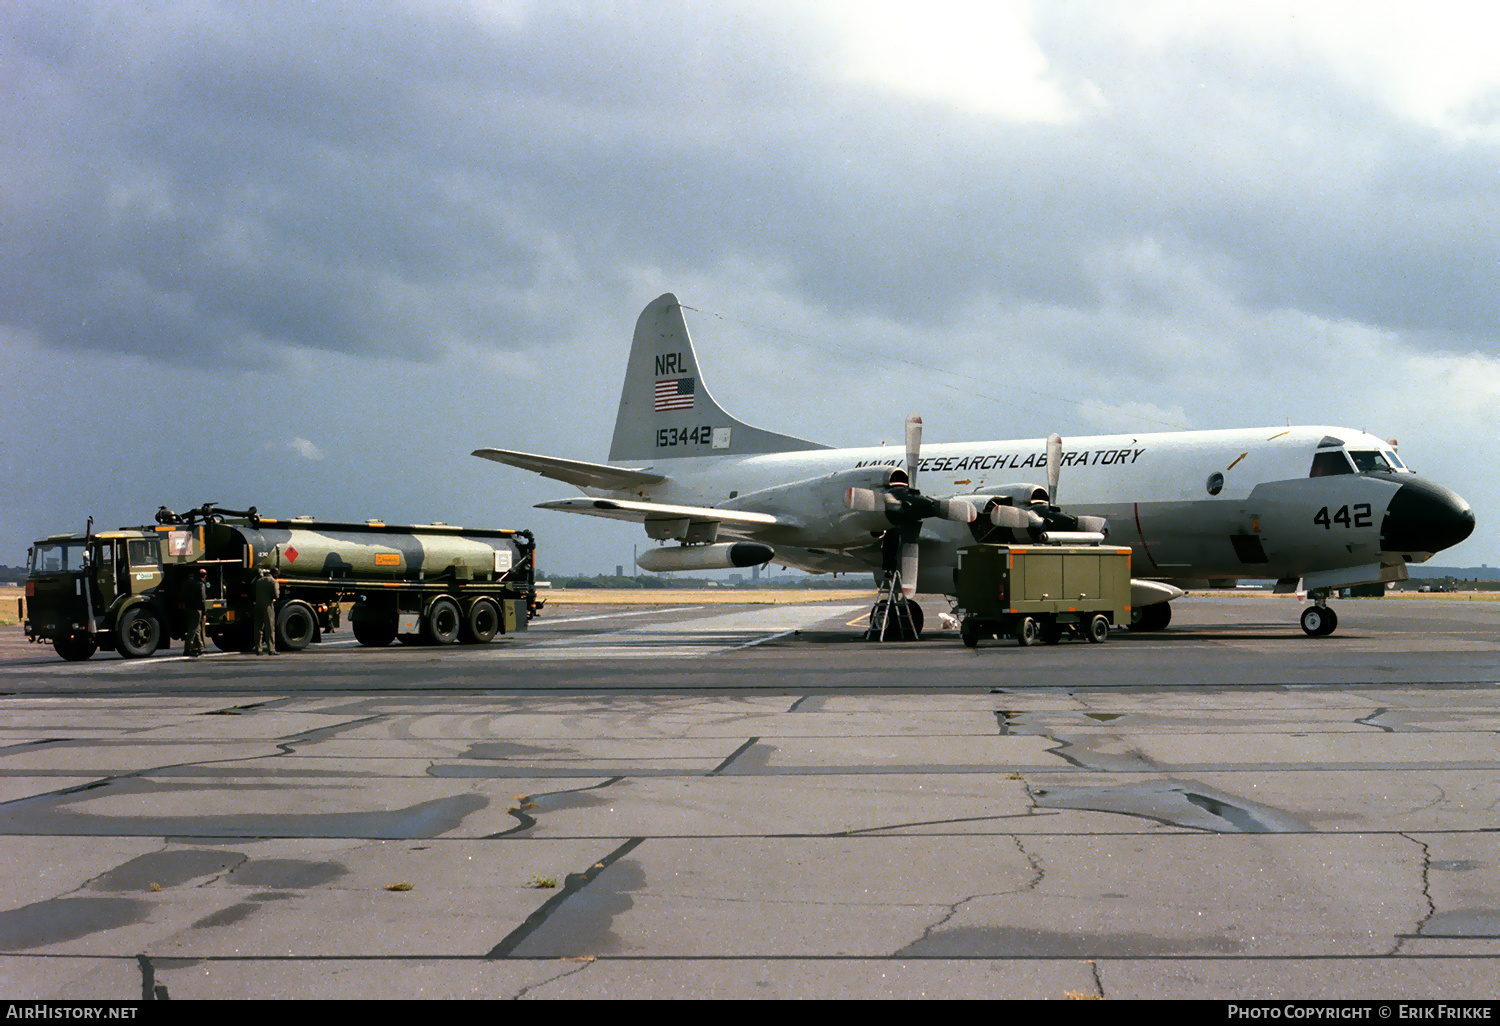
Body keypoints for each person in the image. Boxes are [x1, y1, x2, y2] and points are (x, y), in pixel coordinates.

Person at [252, 568, 279, 655]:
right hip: (268, 605)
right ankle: (271, 649)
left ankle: (258, 649)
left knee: (258, 627)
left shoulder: (259, 581)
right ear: (275, 574)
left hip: (258, 604)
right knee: (269, 627)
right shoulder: (273, 582)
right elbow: (276, 595)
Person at [182, 568, 208, 658]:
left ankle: (200, 648)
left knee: (197, 629)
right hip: (197, 610)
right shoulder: (201, 585)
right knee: (193, 629)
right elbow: (202, 600)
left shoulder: (190, 583)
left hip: (189, 608)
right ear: (204, 576)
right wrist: (204, 613)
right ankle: (188, 649)